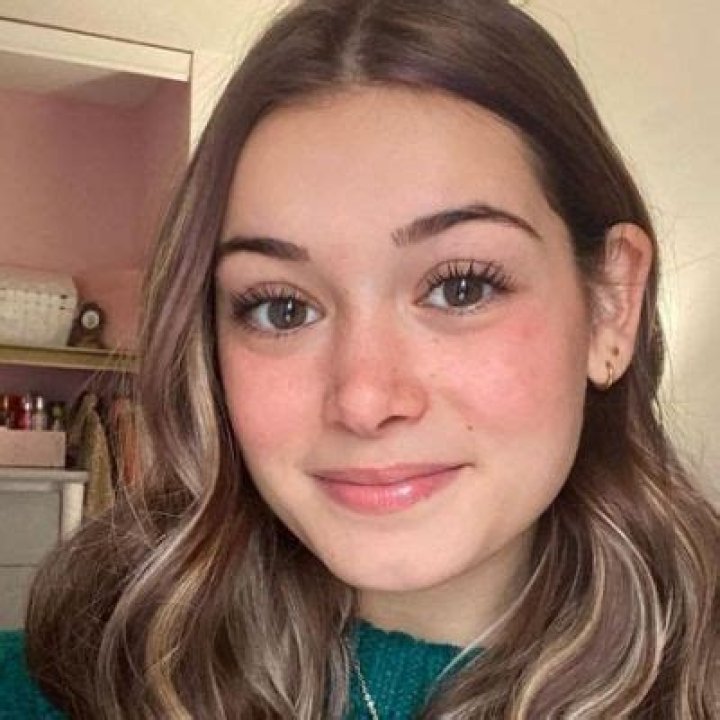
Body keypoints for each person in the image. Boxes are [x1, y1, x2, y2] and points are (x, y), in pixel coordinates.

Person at [1, 0, 718, 717]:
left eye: (461, 288)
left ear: (611, 304)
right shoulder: (65, 688)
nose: (364, 400)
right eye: (282, 308)